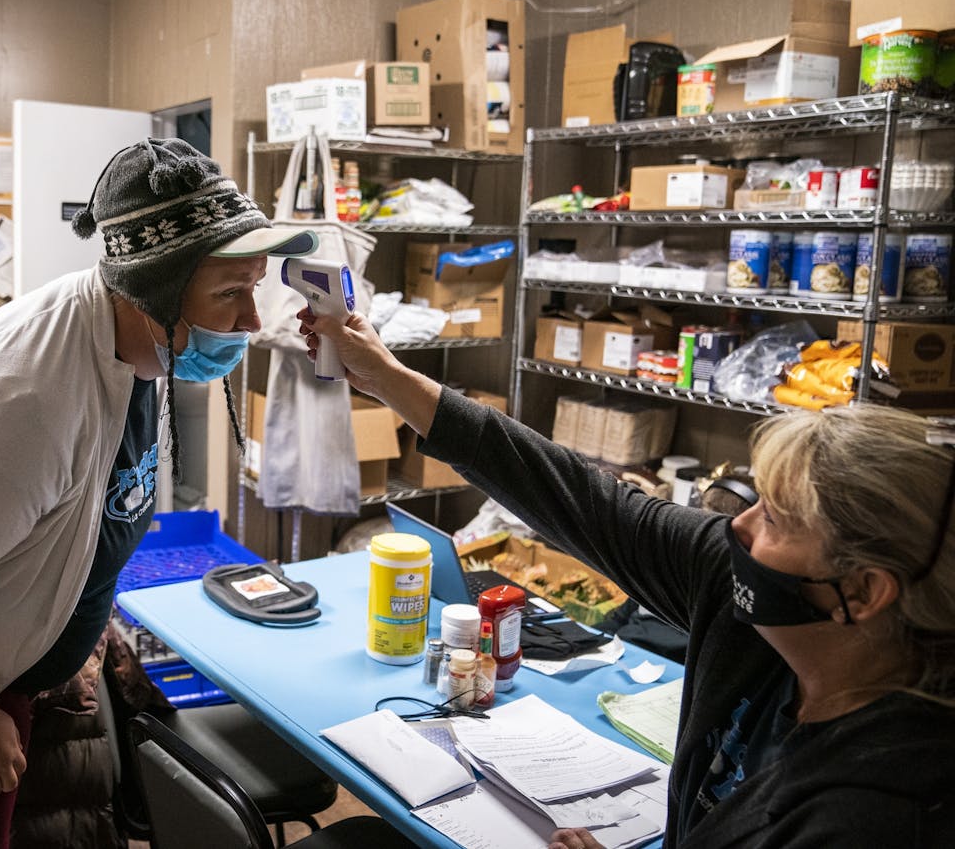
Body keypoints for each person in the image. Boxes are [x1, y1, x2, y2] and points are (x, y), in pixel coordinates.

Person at [0, 137, 316, 848]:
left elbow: (86, 512)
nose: (252, 322)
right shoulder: (25, 404)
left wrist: (79, 624)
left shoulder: (133, 347)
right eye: (231, 293)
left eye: (253, 288)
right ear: (153, 288)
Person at [299, 308, 955, 849]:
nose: (739, 529)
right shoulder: (755, 613)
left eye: (777, 518)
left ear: (864, 592)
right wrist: (387, 378)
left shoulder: (881, 813)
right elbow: (590, 504)